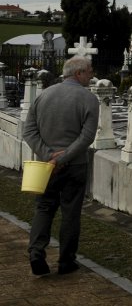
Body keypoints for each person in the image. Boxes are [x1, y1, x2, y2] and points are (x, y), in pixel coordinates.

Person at [22, 56, 99, 276]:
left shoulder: (43, 95)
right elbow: (87, 137)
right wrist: (63, 158)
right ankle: (66, 261)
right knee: (71, 212)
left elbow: (29, 131)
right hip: (74, 165)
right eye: (89, 71)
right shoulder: (88, 99)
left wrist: (48, 155)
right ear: (79, 73)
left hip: (45, 166)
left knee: (44, 208)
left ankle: (36, 252)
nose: (91, 75)